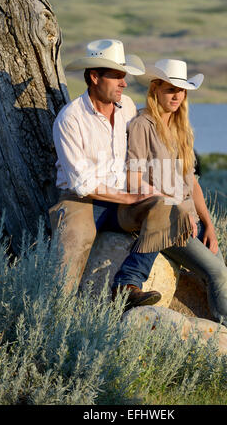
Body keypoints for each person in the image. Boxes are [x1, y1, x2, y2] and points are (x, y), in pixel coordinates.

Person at [116, 58, 227, 383]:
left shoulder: (180, 129)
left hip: (192, 223)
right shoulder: (141, 126)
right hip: (164, 221)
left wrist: (210, 225)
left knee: (226, 290)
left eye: (182, 91)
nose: (176, 97)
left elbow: (192, 184)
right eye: (171, 89)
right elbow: (134, 180)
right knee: (217, 273)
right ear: (156, 88)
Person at [49, 38, 163, 311]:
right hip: (81, 199)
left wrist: (149, 190)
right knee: (76, 236)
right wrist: (128, 197)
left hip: (122, 197)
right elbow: (82, 183)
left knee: (163, 206)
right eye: (117, 77)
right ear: (94, 77)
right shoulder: (70, 119)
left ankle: (128, 283)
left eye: (124, 77)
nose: (124, 83)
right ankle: (58, 313)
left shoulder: (127, 111)